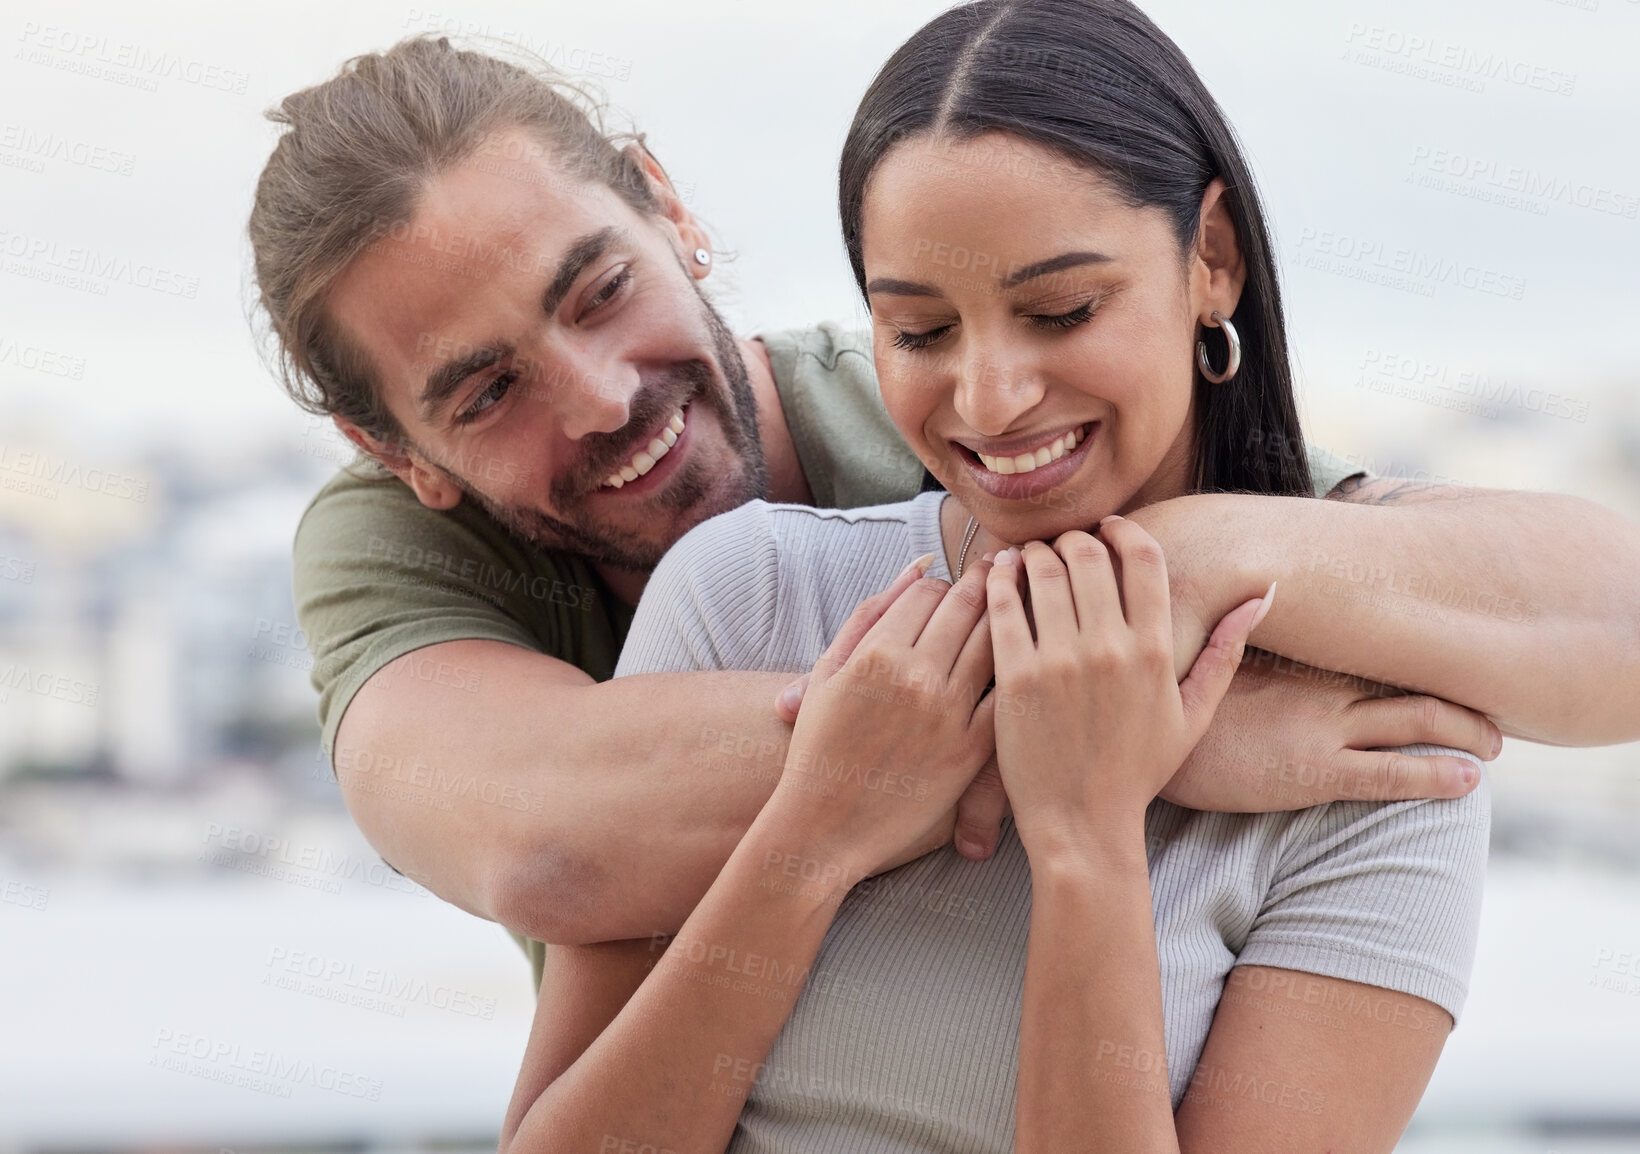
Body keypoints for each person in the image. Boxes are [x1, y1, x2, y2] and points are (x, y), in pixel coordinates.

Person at [252, 36, 1640, 984]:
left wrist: (1188, 554)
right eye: (483, 389)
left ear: (668, 206)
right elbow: (544, 837)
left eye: (600, 290)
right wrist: (1130, 730)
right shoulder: (390, 545)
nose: (591, 396)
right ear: (394, 448)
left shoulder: (983, 428)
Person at [492, 4, 1510, 1149]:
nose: (989, 398)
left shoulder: (1372, 745)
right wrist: (814, 834)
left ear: (1211, 260)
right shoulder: (745, 594)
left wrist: (1087, 837)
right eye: (921, 332)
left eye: (1062, 310)